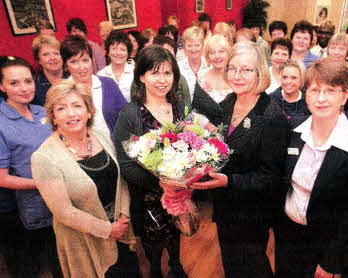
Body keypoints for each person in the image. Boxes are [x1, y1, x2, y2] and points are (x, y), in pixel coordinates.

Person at [191, 42, 289, 278]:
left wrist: (229, 181)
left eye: (246, 69)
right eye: (233, 68)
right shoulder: (228, 104)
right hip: (226, 207)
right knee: (232, 265)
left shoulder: (271, 116)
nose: (238, 75)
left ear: (260, 73)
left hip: (252, 213)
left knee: (253, 267)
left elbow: (271, 178)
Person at [274, 57, 348, 278]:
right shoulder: (293, 130)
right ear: (306, 94)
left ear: (345, 95)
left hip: (323, 247)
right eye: (314, 90)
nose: (321, 98)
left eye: (331, 91)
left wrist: (332, 262)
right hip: (286, 235)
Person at [31, 78, 137, 278]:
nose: (71, 113)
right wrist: (108, 230)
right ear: (52, 116)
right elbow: (64, 212)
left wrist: (124, 215)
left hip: (120, 232)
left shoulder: (100, 136)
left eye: (77, 105)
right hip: (83, 242)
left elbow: (120, 179)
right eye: (61, 108)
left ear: (89, 111)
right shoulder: (43, 158)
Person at [114, 45, 188, 278]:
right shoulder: (130, 114)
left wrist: (184, 179)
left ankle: (176, 265)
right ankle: (155, 270)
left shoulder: (180, 109)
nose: (161, 79)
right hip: (148, 197)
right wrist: (163, 184)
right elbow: (125, 165)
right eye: (154, 72)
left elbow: (192, 147)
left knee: (176, 233)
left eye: (167, 73)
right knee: (153, 243)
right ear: (142, 76)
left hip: (179, 194)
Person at [0, 56, 61, 278]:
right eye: (14, 83)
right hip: (26, 210)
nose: (24, 88)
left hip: (57, 203)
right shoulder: (1, 122)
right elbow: (1, 177)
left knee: (60, 261)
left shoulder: (40, 111)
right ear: (2, 86)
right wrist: (43, 184)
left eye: (28, 81)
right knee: (31, 267)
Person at [60, 35, 127, 139]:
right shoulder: (62, 93)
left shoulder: (108, 84)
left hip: (113, 149)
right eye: (74, 62)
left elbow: (127, 114)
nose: (82, 67)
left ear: (92, 61)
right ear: (66, 66)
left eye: (85, 60)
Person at [97, 30, 134, 102]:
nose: (118, 53)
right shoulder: (101, 75)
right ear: (108, 52)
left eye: (122, 49)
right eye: (114, 49)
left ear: (128, 53)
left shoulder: (135, 73)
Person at [31, 35, 68, 106]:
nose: (52, 58)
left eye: (56, 53)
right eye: (45, 54)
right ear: (39, 60)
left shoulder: (74, 77)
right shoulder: (34, 87)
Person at [197, 34, 232, 103]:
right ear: (207, 56)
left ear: (228, 53)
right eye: (212, 53)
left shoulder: (236, 77)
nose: (217, 56)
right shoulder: (202, 76)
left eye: (221, 51)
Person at [177, 26, 208, 101]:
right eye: (189, 45)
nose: (193, 49)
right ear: (184, 47)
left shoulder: (209, 65)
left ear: (203, 45)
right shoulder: (178, 68)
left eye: (197, 45)